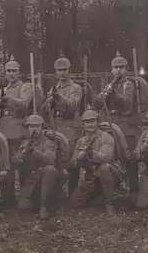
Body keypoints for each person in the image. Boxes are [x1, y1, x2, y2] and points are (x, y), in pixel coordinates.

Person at [94, 51, 139, 203]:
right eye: (115, 67)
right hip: (110, 122)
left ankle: (134, 190)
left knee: (130, 158)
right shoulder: (109, 85)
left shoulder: (129, 84)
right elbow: (98, 104)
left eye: (121, 67)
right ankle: (108, 191)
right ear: (111, 69)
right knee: (109, 157)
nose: (118, 70)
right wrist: (103, 95)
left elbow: (126, 102)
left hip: (125, 123)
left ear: (126, 68)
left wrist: (113, 94)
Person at [0, 55, 33, 206]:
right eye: (8, 70)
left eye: (14, 71)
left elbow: (24, 104)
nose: (11, 74)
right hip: (3, 129)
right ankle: (7, 198)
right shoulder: (3, 89)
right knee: (5, 165)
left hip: (18, 128)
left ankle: (25, 197)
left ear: (19, 73)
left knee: (21, 163)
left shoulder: (25, 87)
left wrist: (8, 100)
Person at [42, 56, 83, 198]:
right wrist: (48, 103)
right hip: (57, 125)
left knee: (72, 161)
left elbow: (73, 104)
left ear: (69, 70)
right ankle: (57, 193)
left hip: (71, 126)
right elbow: (45, 111)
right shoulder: (53, 88)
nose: (62, 73)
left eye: (64, 70)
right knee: (56, 159)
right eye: (59, 70)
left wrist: (59, 98)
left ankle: (73, 193)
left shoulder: (75, 87)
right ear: (56, 72)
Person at [69, 109, 118, 217]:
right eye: (87, 122)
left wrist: (91, 153)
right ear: (84, 124)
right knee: (75, 203)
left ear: (97, 122)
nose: (90, 124)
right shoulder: (81, 141)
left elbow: (107, 157)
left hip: (108, 174)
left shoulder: (106, 137)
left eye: (92, 121)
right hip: (89, 177)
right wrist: (80, 158)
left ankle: (109, 204)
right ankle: (97, 196)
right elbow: (73, 162)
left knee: (105, 168)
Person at [16, 114, 59, 220]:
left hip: (44, 178)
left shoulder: (48, 142)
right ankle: (37, 202)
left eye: (36, 126)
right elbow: (17, 161)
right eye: (31, 126)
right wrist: (22, 156)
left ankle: (44, 206)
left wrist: (34, 152)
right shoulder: (24, 143)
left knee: (50, 170)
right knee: (23, 207)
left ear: (42, 127)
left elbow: (50, 160)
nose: (33, 129)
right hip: (31, 179)